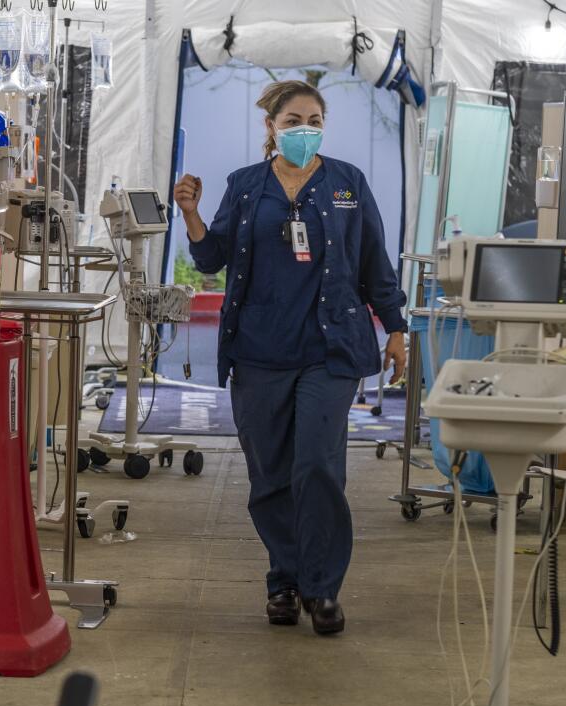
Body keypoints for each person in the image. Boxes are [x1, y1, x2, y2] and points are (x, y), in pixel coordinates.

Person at [173, 80, 407, 635]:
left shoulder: (348, 183)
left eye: (316, 119)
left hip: (331, 351)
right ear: (272, 127)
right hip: (259, 350)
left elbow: (375, 259)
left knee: (319, 468)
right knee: (271, 475)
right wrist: (191, 214)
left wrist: (395, 327)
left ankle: (322, 588)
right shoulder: (247, 186)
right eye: (295, 119)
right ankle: (284, 578)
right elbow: (211, 259)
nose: (307, 129)